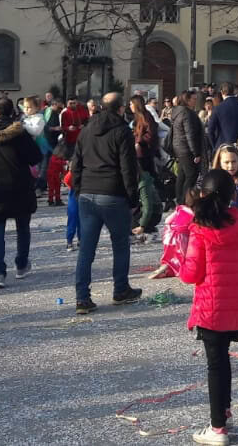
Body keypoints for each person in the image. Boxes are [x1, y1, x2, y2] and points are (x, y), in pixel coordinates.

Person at [179, 168, 238, 446]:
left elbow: (191, 274)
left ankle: (217, 429)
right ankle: (224, 412)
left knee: (215, 365)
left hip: (211, 307)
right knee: (223, 360)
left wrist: (182, 257)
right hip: (236, 306)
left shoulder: (201, 229)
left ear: (203, 195)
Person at [72, 92, 143, 314]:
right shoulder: (122, 131)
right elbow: (128, 169)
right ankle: (120, 289)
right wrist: (133, 199)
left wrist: (77, 189)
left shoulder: (86, 129)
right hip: (113, 194)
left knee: (87, 249)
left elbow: (77, 163)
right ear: (121, 108)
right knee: (120, 244)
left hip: (87, 192)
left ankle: (82, 297)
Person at [0, 100, 43, 288]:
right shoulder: (19, 133)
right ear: (12, 113)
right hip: (18, 185)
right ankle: (21, 265)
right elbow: (36, 157)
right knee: (22, 227)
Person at [129, 94, 164, 236]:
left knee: (146, 182)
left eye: (131, 104)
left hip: (144, 154)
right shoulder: (138, 117)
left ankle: (145, 215)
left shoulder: (145, 116)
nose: (129, 107)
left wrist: (139, 142)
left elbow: (151, 134)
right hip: (140, 154)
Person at [206, 82, 238, 151]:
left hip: (223, 147)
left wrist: (215, 146)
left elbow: (210, 130)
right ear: (234, 92)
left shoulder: (218, 108)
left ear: (222, 92)